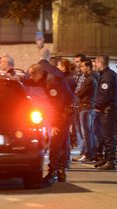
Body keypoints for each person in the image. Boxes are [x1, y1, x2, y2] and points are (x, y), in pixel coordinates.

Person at [28, 52, 73, 184]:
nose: (31, 77)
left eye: (32, 75)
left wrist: (53, 124)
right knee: (62, 143)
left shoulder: (51, 82)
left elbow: (55, 105)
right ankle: (61, 173)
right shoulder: (47, 80)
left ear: (38, 73)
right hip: (64, 112)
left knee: (55, 144)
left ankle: (53, 172)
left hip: (63, 114)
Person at [93, 55, 117, 170]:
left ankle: (111, 161)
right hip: (108, 109)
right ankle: (107, 158)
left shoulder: (107, 76)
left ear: (100, 63)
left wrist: (97, 106)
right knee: (105, 135)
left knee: (108, 136)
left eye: (96, 62)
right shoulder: (107, 74)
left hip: (108, 109)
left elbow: (105, 94)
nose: (95, 64)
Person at [76, 58, 98, 162]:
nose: (81, 68)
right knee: (89, 132)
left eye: (83, 66)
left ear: (88, 67)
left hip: (86, 107)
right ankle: (90, 153)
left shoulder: (89, 79)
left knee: (86, 132)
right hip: (89, 107)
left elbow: (80, 93)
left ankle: (88, 154)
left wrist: (75, 95)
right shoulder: (92, 77)